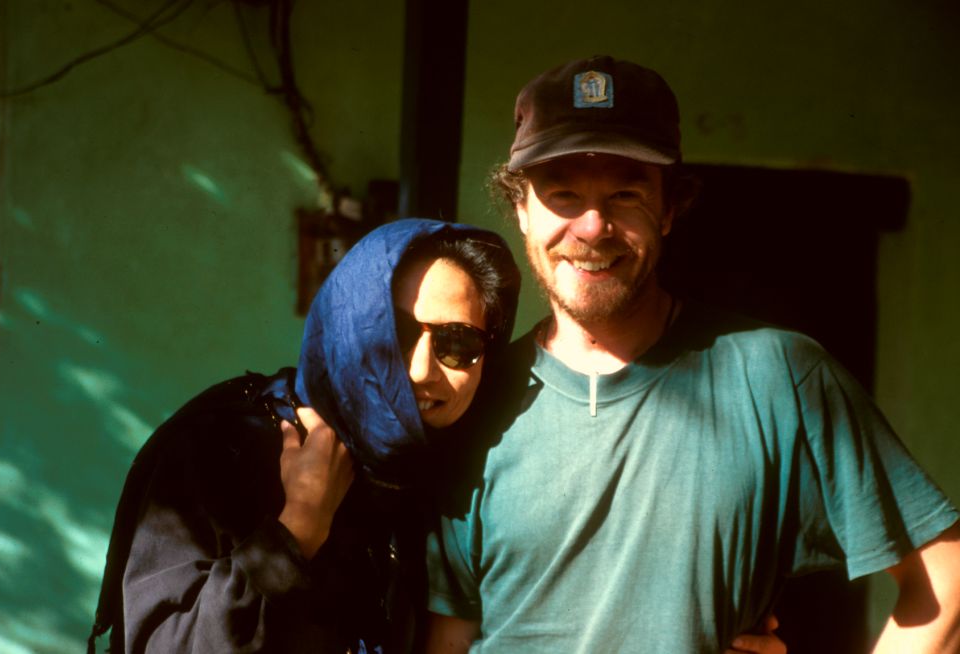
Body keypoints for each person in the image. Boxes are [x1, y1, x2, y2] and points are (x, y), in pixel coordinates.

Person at [424, 56, 960, 653]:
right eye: (564, 194)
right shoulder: (474, 397)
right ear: (521, 208)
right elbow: (447, 636)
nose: (593, 226)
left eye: (626, 193)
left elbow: (946, 576)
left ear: (672, 207)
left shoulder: (777, 377)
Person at [88, 218, 522, 653]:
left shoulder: (452, 478)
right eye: (396, 333)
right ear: (351, 326)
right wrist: (297, 528)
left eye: (457, 343)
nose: (421, 370)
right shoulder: (225, 443)